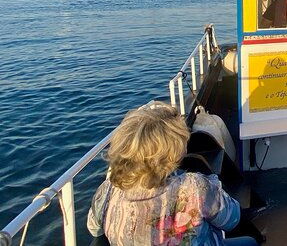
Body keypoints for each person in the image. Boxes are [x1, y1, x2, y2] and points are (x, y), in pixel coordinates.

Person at [87, 101, 258, 246]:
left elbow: (94, 228)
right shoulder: (193, 187)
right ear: (172, 152)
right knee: (250, 242)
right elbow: (232, 219)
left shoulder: (107, 190)